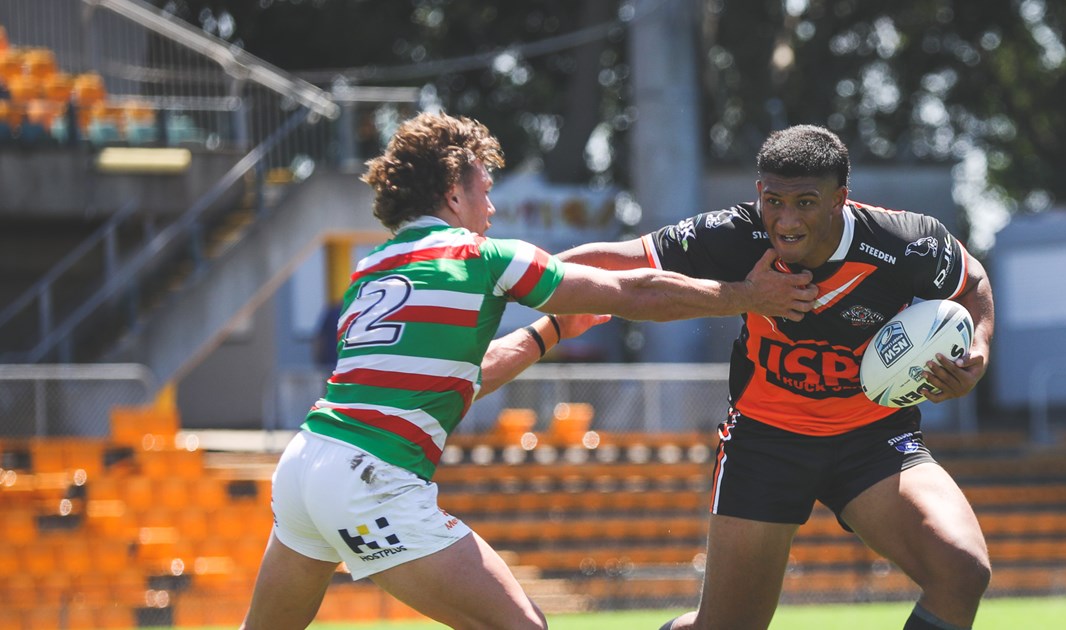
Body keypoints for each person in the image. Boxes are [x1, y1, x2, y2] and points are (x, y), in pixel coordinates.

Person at [241, 112, 817, 629]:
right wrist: (748, 295)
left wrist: (548, 332)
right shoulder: (481, 256)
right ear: (453, 195)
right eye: (484, 191)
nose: (490, 209)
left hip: (305, 464)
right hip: (372, 479)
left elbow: (462, 377)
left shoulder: (373, 269)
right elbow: (637, 291)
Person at [557, 125, 995, 630]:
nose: (785, 221)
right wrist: (516, 274)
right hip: (767, 441)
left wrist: (977, 351)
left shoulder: (905, 242)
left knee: (962, 570)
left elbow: (973, 281)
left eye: (805, 202)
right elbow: (618, 263)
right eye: (772, 201)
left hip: (874, 439)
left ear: (840, 200)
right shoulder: (734, 234)